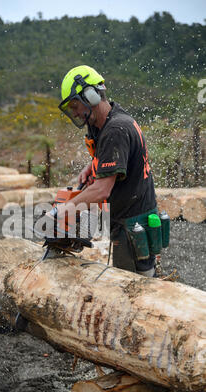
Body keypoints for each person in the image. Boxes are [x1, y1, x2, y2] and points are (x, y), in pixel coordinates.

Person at [55, 64, 159, 277]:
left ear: (91, 96)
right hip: (128, 216)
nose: (75, 112)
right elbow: (116, 154)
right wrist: (93, 166)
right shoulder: (104, 120)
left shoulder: (115, 130)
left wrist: (63, 211)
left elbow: (101, 191)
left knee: (135, 290)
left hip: (133, 223)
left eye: (76, 106)